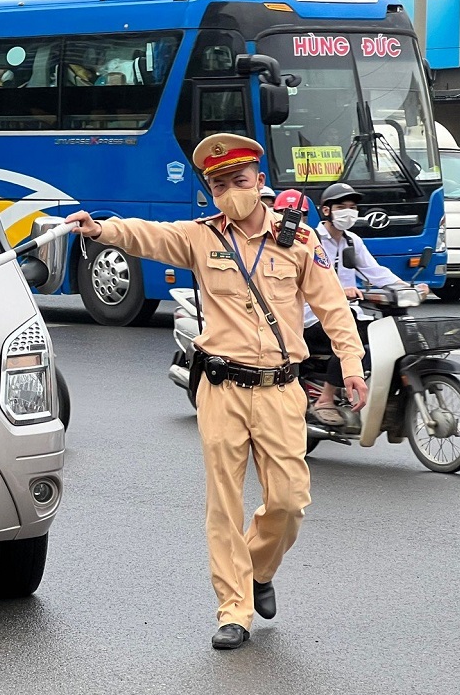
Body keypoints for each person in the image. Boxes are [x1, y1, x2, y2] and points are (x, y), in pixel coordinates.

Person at [65, 134, 366, 651]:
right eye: (218, 184)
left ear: (259, 181)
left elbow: (333, 306)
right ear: (209, 190)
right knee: (223, 504)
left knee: (290, 501)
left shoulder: (298, 241)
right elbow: (149, 236)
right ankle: (233, 610)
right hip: (222, 387)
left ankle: (257, 568)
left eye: (238, 181)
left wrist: (352, 363)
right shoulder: (201, 238)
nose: (230, 191)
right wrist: (102, 229)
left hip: (279, 388)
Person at [302, 182, 428, 427]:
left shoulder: (352, 241)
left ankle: (387, 401)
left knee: (384, 340)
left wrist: (407, 287)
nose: (348, 212)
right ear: (326, 210)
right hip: (311, 317)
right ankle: (325, 399)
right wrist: (338, 290)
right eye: (341, 207)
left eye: (352, 207)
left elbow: (375, 271)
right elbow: (304, 280)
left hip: (346, 312)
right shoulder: (310, 239)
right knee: (351, 331)